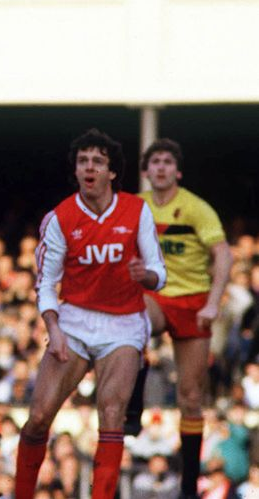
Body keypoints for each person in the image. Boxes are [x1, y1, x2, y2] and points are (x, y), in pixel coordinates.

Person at [14, 129, 166, 499]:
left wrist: (143, 274)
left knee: (111, 415)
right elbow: (46, 284)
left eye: (98, 161)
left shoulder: (136, 210)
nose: (89, 167)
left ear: (112, 172)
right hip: (75, 321)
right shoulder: (60, 218)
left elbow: (159, 273)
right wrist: (54, 327)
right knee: (37, 420)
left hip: (124, 324)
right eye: (83, 161)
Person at [124, 138, 233, 499]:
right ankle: (134, 402)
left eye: (167, 161)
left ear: (177, 170)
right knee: (133, 322)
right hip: (156, 295)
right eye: (154, 161)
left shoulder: (196, 209)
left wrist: (214, 303)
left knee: (190, 398)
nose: (160, 167)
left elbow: (223, 255)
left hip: (193, 301)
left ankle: (188, 485)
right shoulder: (135, 205)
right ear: (146, 170)